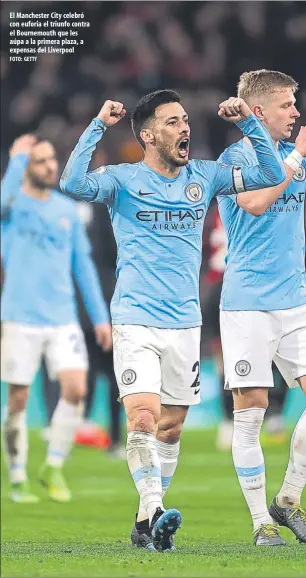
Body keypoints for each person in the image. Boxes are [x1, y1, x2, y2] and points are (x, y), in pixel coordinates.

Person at [60, 90, 286, 551]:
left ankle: (145, 524)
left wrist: (249, 125)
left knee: (171, 427)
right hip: (135, 319)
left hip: (185, 323)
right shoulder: (121, 180)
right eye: (171, 123)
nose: (184, 128)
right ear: (147, 135)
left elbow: (270, 172)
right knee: (143, 417)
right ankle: (156, 507)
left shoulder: (204, 176)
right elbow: (72, 183)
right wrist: (97, 125)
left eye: (185, 121)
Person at [217, 70, 306, 545]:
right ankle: (261, 523)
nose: (295, 112)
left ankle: (287, 500)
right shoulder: (237, 158)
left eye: (295, 104)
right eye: (287, 104)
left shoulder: (299, 160)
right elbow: (254, 202)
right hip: (248, 305)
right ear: (259, 112)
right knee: (251, 412)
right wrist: (295, 158)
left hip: (297, 301)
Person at [1, 135, 112, 504]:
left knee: (77, 390)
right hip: (20, 316)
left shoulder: (67, 210)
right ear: (26, 168)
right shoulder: (13, 207)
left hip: (63, 317)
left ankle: (53, 465)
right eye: (40, 161)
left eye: (52, 159)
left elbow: (84, 267)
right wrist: (15, 162)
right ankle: (17, 475)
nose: (50, 166)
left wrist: (99, 317)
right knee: (18, 399)